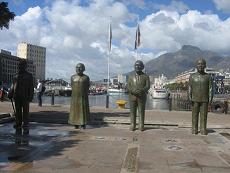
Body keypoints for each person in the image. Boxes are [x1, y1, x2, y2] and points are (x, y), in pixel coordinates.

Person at [8, 59, 34, 135]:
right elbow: (13, 86)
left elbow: (31, 87)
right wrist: (10, 92)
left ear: (25, 66)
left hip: (25, 96)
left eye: (22, 65)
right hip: (17, 96)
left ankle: (25, 124)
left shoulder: (29, 75)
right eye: (19, 65)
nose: (20, 67)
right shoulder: (15, 75)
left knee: (26, 111)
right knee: (18, 111)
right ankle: (18, 123)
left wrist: (31, 96)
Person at [189, 58, 213, 135]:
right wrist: (189, 96)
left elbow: (210, 89)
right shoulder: (192, 77)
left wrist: (210, 100)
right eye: (199, 64)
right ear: (196, 65)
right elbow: (190, 87)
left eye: (202, 64)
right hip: (194, 99)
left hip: (204, 99)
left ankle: (203, 128)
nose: (200, 65)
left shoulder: (208, 77)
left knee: (204, 116)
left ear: (205, 66)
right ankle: (194, 128)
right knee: (194, 115)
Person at [127, 60, 150, 131]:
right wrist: (132, 91)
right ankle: (132, 124)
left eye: (139, 65)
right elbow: (128, 86)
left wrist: (142, 90)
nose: (137, 67)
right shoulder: (130, 76)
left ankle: (141, 124)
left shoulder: (145, 76)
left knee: (141, 111)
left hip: (142, 96)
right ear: (134, 67)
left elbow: (148, 86)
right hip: (132, 96)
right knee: (132, 111)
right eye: (136, 65)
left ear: (142, 67)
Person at [69, 63, 90, 129]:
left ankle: (83, 123)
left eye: (80, 67)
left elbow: (87, 87)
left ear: (83, 69)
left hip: (83, 96)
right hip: (74, 97)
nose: (78, 69)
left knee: (83, 110)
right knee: (74, 110)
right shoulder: (72, 77)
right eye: (77, 67)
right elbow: (72, 86)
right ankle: (75, 123)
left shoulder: (86, 78)